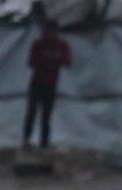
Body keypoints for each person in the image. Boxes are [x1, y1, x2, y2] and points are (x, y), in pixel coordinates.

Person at [23, 20, 71, 149]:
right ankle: (26, 139)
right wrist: (48, 60)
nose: (51, 34)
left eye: (53, 31)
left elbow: (67, 61)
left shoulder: (61, 45)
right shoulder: (39, 44)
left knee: (46, 115)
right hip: (37, 82)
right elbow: (31, 62)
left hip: (50, 84)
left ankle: (44, 142)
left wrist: (54, 60)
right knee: (32, 111)